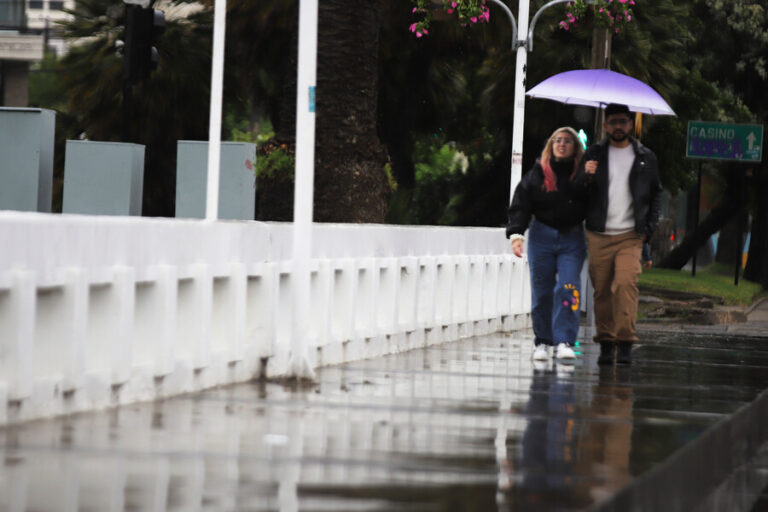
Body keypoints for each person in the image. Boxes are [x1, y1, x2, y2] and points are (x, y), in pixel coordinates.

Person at [578, 103, 662, 366]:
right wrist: (586, 176)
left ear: (630, 124)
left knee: (626, 284)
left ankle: (625, 343)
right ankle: (605, 342)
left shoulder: (645, 157)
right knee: (602, 291)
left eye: (623, 122)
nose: (618, 127)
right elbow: (578, 192)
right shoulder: (594, 154)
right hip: (599, 234)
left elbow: (656, 193)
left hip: (630, 235)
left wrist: (648, 230)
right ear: (605, 125)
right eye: (613, 122)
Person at [507, 127, 587, 362]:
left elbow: (595, 202)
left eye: (567, 141)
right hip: (541, 236)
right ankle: (542, 340)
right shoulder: (538, 172)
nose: (562, 144)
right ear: (550, 145)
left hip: (572, 237)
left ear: (575, 147)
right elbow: (521, 201)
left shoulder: (584, 173)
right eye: (557, 140)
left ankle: (564, 340)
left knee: (568, 287)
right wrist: (516, 233)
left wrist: (590, 178)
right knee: (541, 292)